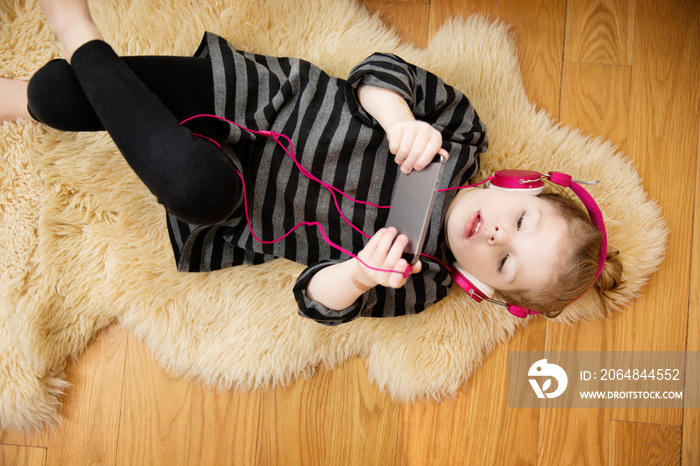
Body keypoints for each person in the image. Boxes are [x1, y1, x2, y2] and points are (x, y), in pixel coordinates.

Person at [1, 0, 623, 325]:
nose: (495, 234)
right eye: (520, 221)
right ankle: (53, 71)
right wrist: (398, 119)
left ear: (484, 286)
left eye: (506, 261)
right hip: (252, 95)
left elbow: (314, 299)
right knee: (52, 94)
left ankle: (75, 26)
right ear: (516, 187)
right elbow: (379, 71)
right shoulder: (460, 133)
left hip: (236, 190)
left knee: (195, 186)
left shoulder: (418, 282)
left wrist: (357, 275)